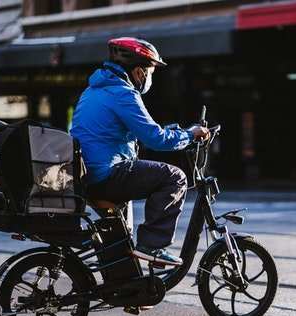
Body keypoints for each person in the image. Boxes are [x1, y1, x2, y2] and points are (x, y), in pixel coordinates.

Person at [70, 37, 209, 266]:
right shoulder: (123, 93)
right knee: (174, 177)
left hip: (89, 176)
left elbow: (137, 131)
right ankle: (153, 246)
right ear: (138, 72)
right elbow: (156, 139)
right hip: (108, 175)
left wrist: (179, 132)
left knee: (119, 239)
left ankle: (125, 291)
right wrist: (191, 134)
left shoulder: (94, 89)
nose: (150, 77)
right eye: (150, 72)